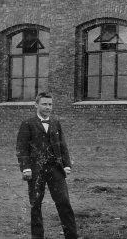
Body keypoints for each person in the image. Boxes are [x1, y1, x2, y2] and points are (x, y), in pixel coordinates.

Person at [16, 92, 79, 239]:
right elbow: (21, 147)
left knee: (64, 202)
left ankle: (71, 236)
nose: (48, 107)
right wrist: (26, 168)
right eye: (44, 104)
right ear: (36, 105)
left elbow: (62, 145)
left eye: (50, 104)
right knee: (35, 204)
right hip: (36, 170)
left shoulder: (56, 123)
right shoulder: (27, 124)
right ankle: (37, 236)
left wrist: (66, 165)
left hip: (55, 169)